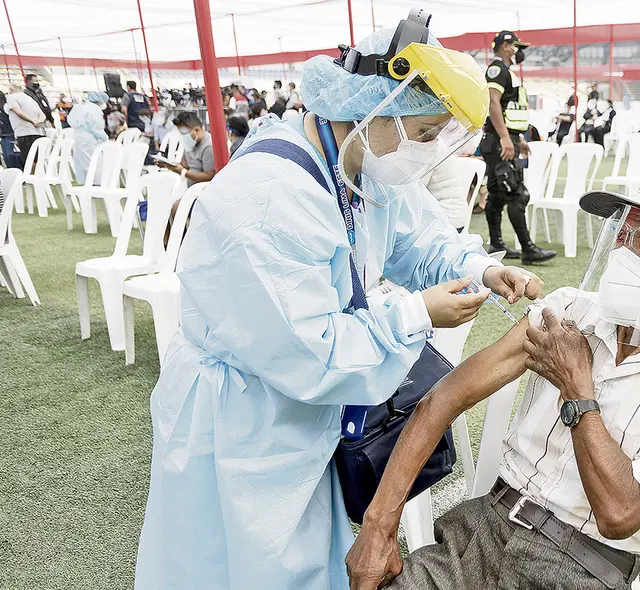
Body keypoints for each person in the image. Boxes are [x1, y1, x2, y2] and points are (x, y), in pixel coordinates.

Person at [133, 16, 545, 590]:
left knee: (301, 557)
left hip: (302, 417)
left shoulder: (359, 167)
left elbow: (416, 237)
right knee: (236, 564)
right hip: (244, 422)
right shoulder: (267, 199)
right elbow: (312, 351)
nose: (423, 153)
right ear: (373, 105)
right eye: (424, 134)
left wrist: (481, 266)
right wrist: (416, 312)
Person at [346, 175, 640, 590]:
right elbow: (443, 399)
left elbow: (619, 515)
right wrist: (378, 524)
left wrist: (576, 387)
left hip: (583, 566)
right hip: (484, 527)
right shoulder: (570, 311)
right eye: (623, 236)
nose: (625, 257)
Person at [482, 29, 556, 263]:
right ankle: (528, 249)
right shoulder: (497, 70)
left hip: (503, 140)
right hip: (499, 142)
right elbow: (493, 103)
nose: (519, 52)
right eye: (516, 47)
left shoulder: (506, 72)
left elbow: (508, 109)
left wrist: (518, 138)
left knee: (496, 195)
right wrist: (505, 138)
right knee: (516, 194)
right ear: (505, 46)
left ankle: (496, 244)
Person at [155, 111, 216, 186]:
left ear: (197, 130)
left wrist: (183, 172)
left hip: (202, 191)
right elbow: (184, 165)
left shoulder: (208, 147)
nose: (182, 136)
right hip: (189, 188)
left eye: (184, 133)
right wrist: (168, 165)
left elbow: (209, 176)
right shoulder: (191, 142)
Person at [66, 91, 110, 184]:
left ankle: (86, 184)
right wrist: (105, 139)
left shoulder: (79, 107)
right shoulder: (95, 109)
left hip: (78, 138)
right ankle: (98, 184)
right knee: (95, 163)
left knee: (82, 164)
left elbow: (71, 121)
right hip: (89, 140)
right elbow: (96, 127)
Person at [4, 79, 46, 171]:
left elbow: (18, 112)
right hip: (37, 130)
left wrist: (32, 121)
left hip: (24, 131)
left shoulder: (11, 98)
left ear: (11, 89)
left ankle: (32, 177)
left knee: (28, 157)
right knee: (36, 156)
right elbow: (42, 114)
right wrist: (38, 121)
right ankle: (39, 175)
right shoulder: (29, 98)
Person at [0, 92, 18, 169]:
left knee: (9, 154)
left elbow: (13, 119)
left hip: (10, 133)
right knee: (5, 155)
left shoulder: (6, 106)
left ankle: (15, 170)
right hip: (3, 134)